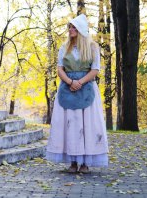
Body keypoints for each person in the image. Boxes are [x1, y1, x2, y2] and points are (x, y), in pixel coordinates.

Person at [46, 14, 109, 174]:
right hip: (67, 88)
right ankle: (73, 161)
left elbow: (95, 69)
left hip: (86, 88)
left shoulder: (93, 47)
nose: (71, 30)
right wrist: (70, 82)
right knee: (70, 124)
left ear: (81, 29)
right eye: (69, 27)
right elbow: (60, 69)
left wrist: (80, 82)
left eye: (74, 27)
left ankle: (85, 163)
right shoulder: (64, 47)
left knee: (86, 124)